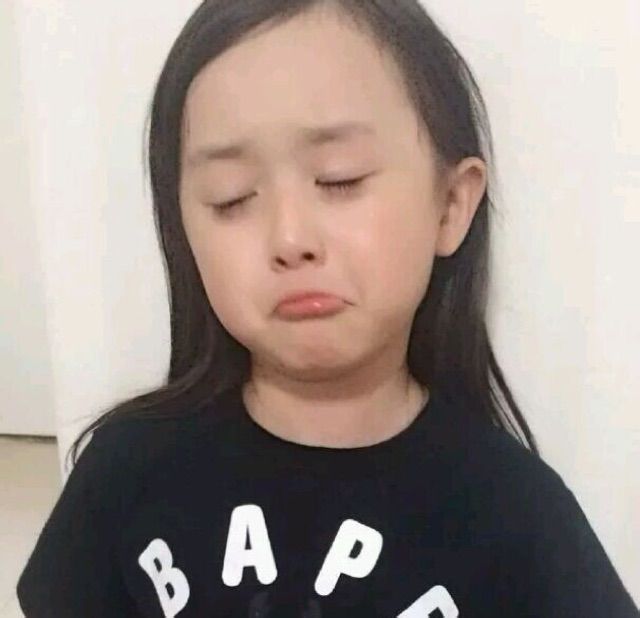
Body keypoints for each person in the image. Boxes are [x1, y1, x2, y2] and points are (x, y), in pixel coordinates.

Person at [16, 0, 639, 616]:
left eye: (340, 179)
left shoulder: (520, 518)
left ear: (451, 204)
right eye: (232, 198)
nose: (290, 238)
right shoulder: (127, 469)